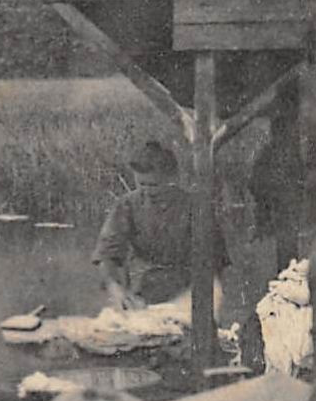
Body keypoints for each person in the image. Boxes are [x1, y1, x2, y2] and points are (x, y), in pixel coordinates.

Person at [92, 140, 228, 312]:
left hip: (188, 292)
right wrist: (115, 288)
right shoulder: (127, 205)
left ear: (171, 178)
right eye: (142, 184)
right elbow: (107, 253)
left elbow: (216, 263)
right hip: (141, 291)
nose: (147, 191)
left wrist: (205, 299)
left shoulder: (195, 207)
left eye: (154, 185)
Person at [249, 87, 305, 274]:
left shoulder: (299, 152)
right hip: (281, 211)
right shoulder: (269, 153)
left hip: (297, 212)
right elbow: (255, 182)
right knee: (286, 252)